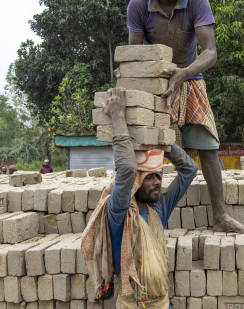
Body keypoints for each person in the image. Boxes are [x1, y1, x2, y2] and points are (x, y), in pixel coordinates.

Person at [118, 0, 244, 234]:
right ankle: (139, 216)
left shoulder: (197, 0)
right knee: (145, 145)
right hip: (155, 82)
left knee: (208, 147)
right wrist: (127, 74)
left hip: (191, 77)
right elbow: (135, 53)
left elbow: (210, 52)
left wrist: (184, 73)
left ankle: (221, 217)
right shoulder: (139, 4)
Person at [81, 88, 198, 307]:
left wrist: (161, 136)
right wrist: (117, 117)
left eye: (159, 176)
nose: (157, 182)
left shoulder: (158, 208)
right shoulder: (119, 212)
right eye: (149, 177)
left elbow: (189, 169)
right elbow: (126, 169)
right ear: (135, 182)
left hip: (162, 304)